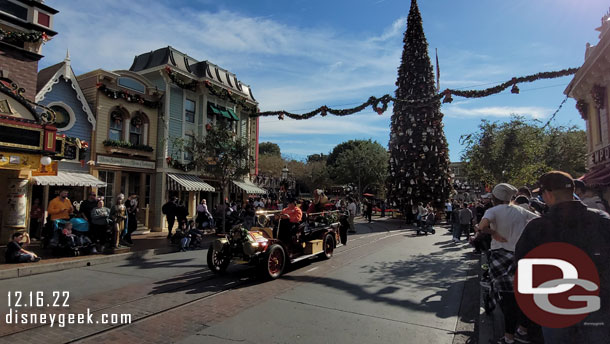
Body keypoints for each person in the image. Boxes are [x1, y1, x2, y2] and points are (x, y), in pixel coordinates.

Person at [516, 171, 610, 344]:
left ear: (548, 195)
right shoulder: (601, 219)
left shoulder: (537, 227)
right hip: (598, 302)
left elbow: (522, 266)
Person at [475, 183, 538, 344]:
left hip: (500, 255)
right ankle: (522, 330)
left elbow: (481, 227)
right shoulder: (522, 211)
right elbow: (540, 222)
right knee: (523, 295)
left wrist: (493, 233)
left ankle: (509, 338)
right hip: (521, 255)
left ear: (495, 198)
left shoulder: (492, 211)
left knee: (508, 300)